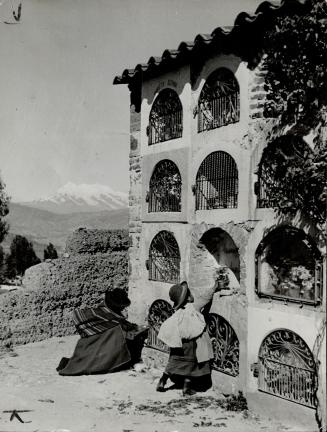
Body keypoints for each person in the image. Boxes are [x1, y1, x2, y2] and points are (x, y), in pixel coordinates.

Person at [56, 288, 148, 376]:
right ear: (116, 305)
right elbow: (117, 328)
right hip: (92, 346)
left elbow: (121, 322)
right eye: (122, 306)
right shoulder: (104, 315)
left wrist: (131, 326)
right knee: (117, 334)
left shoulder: (110, 313)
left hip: (93, 348)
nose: (123, 309)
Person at [156, 280, 217, 396]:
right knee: (192, 364)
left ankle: (162, 381)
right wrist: (215, 286)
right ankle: (186, 388)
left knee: (173, 361)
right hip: (191, 342)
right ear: (188, 298)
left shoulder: (178, 311)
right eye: (189, 293)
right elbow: (206, 297)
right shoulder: (193, 307)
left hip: (178, 341)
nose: (192, 295)